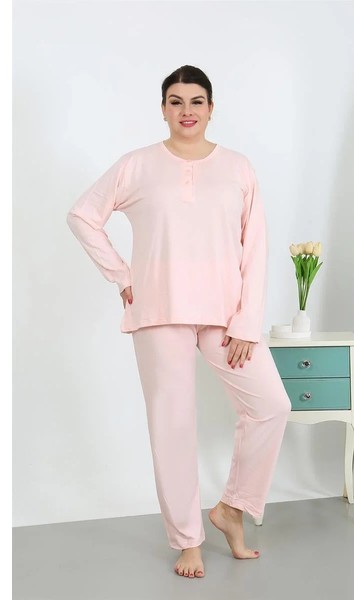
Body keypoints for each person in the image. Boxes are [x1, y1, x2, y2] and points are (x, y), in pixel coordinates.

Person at [67, 65, 291, 579]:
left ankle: (232, 508)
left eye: (196, 101)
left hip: (225, 316)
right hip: (159, 309)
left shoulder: (238, 168)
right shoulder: (138, 165)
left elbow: (254, 248)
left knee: (270, 406)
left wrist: (247, 322)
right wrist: (122, 275)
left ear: (211, 109)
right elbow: (83, 215)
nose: (186, 111)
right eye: (175, 101)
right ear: (163, 109)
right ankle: (188, 541)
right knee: (173, 425)